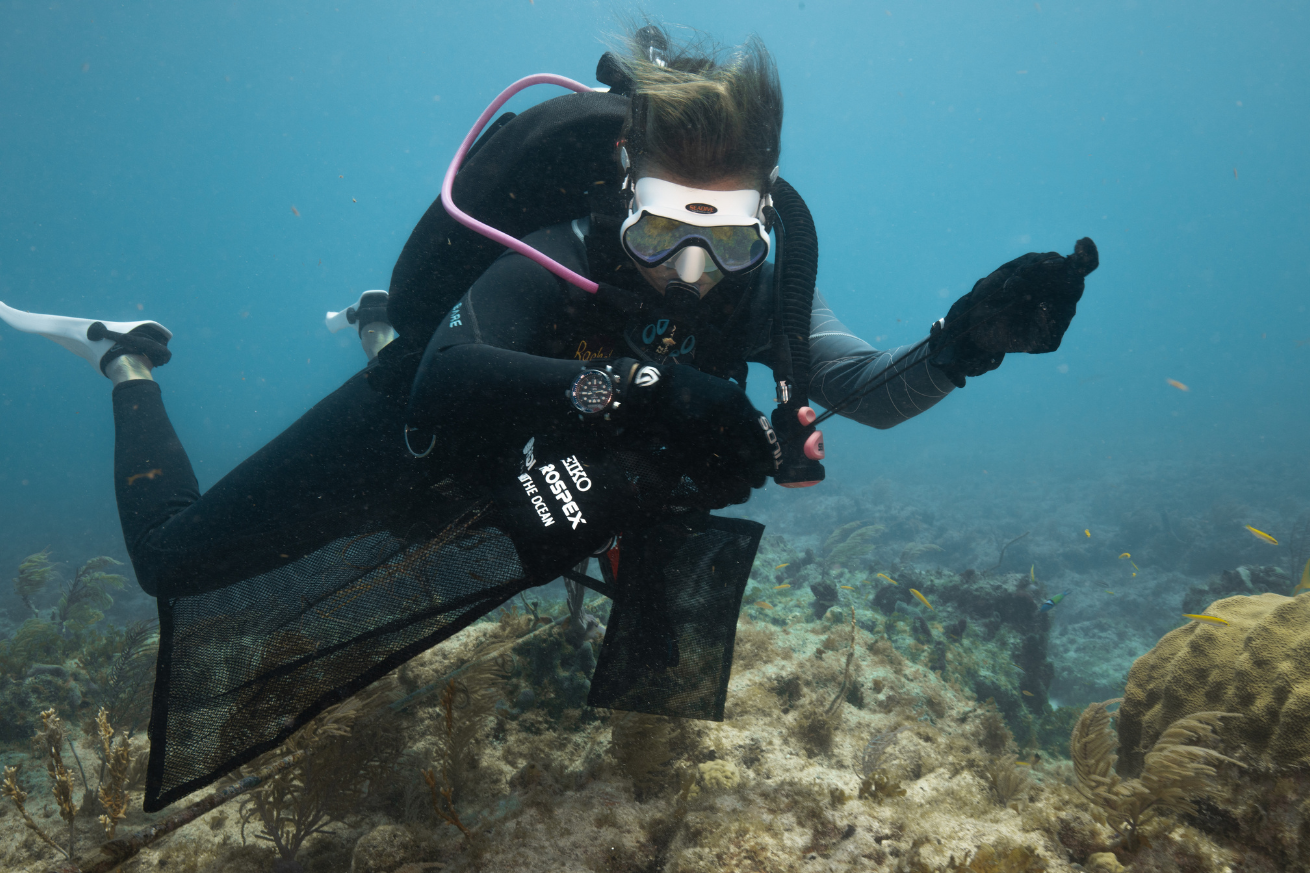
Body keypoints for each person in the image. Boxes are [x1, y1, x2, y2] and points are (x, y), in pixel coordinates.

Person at [0, 24, 1096, 809]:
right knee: (174, 562)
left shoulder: (759, 289)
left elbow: (863, 393)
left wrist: (964, 347)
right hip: (426, 433)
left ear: (763, 220)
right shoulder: (550, 254)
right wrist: (650, 386)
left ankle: (373, 321)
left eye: (728, 239)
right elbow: (450, 381)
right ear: (622, 192)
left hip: (548, 469)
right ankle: (127, 364)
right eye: (667, 230)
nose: (694, 270)